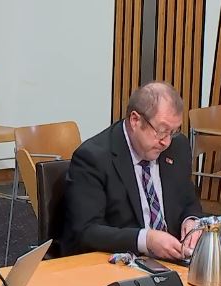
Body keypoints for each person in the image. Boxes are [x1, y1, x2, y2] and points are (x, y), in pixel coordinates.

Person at [63, 81, 203, 260]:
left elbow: (188, 200)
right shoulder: (94, 157)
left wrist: (191, 221)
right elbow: (87, 231)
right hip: (121, 266)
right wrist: (146, 239)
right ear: (135, 120)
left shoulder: (177, 146)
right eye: (161, 131)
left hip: (174, 261)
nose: (166, 142)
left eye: (173, 131)